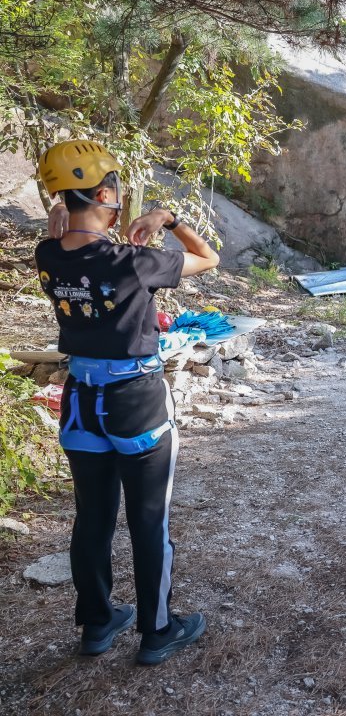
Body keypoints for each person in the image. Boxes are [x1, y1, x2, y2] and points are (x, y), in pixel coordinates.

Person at [34, 139, 218, 664]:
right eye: (115, 190)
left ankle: (97, 622)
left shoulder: (46, 254)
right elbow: (209, 258)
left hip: (80, 402)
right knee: (147, 518)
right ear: (105, 192)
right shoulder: (135, 262)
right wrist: (169, 217)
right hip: (135, 400)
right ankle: (157, 630)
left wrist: (62, 215)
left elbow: (63, 237)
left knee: (92, 517)